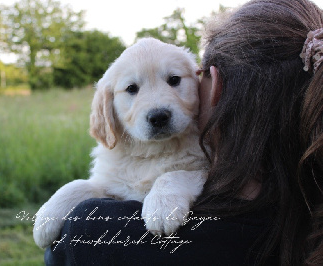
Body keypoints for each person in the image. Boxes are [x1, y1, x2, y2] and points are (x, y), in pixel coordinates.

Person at [43, 0, 323, 264]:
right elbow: (102, 188)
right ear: (107, 107)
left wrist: (174, 183)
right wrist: (76, 192)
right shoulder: (308, 205)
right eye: (132, 89)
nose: (157, 108)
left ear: (213, 86)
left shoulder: (90, 234)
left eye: (174, 80)